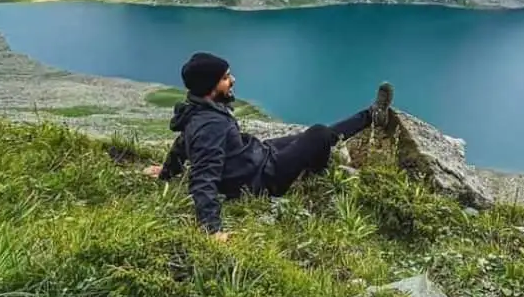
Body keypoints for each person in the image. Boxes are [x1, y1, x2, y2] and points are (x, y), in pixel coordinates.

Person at [142, 51, 395, 241]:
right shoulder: (210, 126)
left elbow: (182, 144)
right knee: (318, 133)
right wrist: (212, 230)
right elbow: (203, 178)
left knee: (307, 136)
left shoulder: (198, 110)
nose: (232, 80)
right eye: (225, 78)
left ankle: (369, 117)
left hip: (257, 156)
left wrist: (165, 172)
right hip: (263, 178)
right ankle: (354, 133)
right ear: (210, 87)